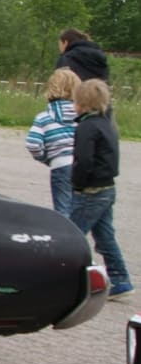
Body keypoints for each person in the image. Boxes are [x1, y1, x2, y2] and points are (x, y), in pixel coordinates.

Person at [68, 78, 131, 299]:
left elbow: (84, 160)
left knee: (71, 234)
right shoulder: (107, 124)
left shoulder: (87, 127)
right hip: (107, 188)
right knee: (105, 236)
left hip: (91, 190)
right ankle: (120, 277)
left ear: (81, 102)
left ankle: (63, 279)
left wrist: (77, 182)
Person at [25, 68, 80, 217]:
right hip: (82, 164)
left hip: (60, 165)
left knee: (62, 210)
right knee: (79, 208)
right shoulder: (83, 116)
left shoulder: (44, 117)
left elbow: (33, 143)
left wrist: (46, 158)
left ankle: (66, 238)